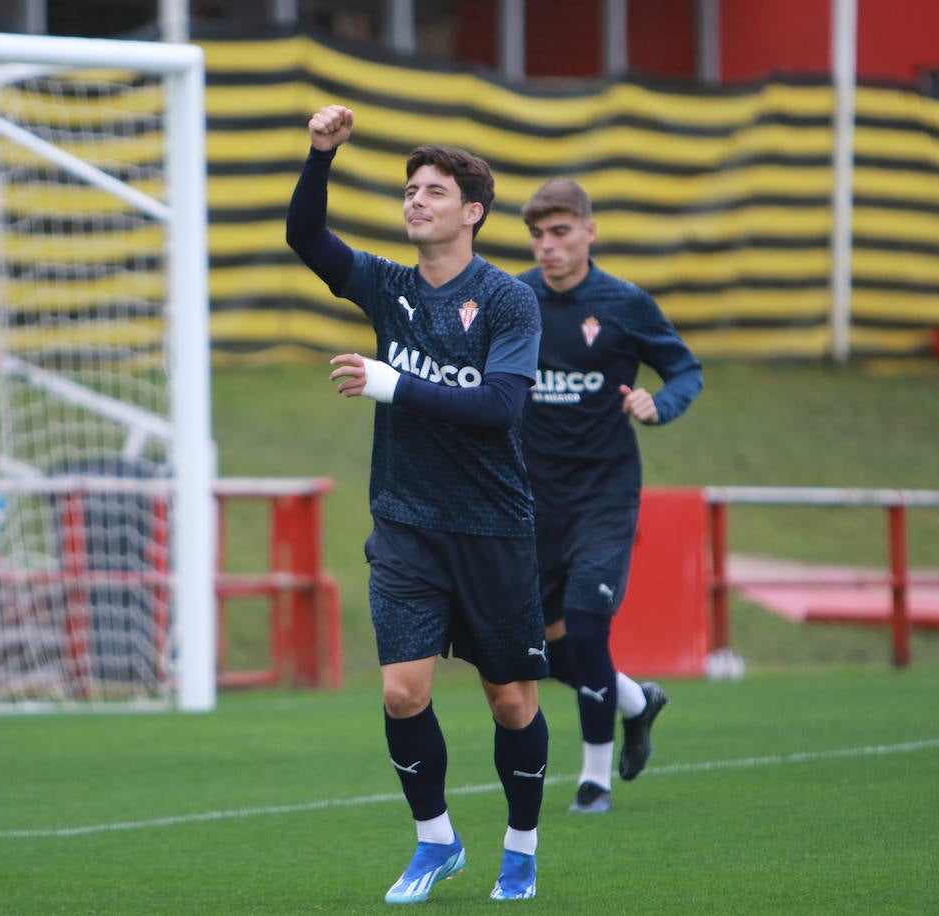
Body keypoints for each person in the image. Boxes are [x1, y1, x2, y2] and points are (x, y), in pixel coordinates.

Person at [287, 104, 550, 904]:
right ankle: (435, 841)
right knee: (403, 690)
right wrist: (320, 155)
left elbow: (500, 408)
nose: (415, 200)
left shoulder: (508, 301)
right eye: (409, 189)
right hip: (406, 524)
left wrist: (392, 381)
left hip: (495, 527)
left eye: (433, 190)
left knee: (510, 702)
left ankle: (521, 848)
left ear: (471, 211)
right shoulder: (387, 287)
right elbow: (307, 238)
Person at [516, 177, 702, 814]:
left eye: (561, 232)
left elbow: (685, 368)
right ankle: (635, 701)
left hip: (604, 494)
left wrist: (661, 402)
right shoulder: (512, 299)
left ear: (590, 232)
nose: (548, 247)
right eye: (537, 235)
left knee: (589, 630)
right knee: (529, 650)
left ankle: (593, 780)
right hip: (530, 499)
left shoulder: (623, 304)